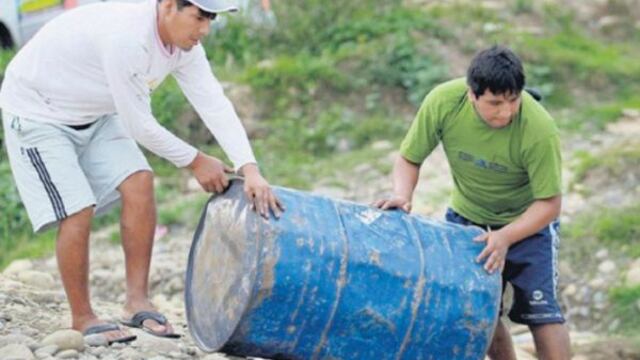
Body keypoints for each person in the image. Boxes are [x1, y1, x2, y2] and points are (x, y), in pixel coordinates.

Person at [0, 0, 284, 344]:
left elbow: (212, 100)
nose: (205, 29)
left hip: (97, 108)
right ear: (168, 6)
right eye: (199, 17)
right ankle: (82, 318)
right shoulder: (128, 36)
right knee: (77, 209)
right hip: (39, 110)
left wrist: (249, 167)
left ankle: (137, 301)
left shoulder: (186, 47)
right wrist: (195, 160)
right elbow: (138, 125)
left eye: (211, 19)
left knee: (139, 180)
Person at [374, 46, 571, 359]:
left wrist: (506, 237)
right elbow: (409, 158)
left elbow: (549, 204)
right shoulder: (443, 102)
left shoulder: (539, 129)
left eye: (513, 100)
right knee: (479, 311)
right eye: (494, 103)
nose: (505, 112)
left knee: (541, 309)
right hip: (469, 220)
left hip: (527, 223)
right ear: (472, 95)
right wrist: (402, 194)